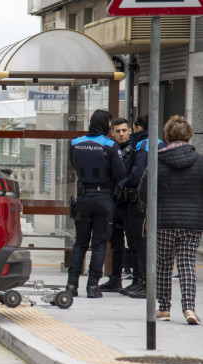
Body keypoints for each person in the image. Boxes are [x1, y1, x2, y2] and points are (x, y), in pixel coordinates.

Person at [138, 116, 203, 325]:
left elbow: (143, 192)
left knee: (164, 264)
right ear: (189, 135)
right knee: (187, 264)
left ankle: (164, 308)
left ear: (167, 135)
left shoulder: (157, 160)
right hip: (192, 223)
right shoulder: (200, 161)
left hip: (163, 222)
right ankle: (189, 308)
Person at [67, 109, 126, 299]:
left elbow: (74, 165)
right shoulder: (110, 146)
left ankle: (71, 285)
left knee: (80, 244)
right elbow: (121, 174)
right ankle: (92, 286)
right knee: (99, 245)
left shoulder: (75, 143)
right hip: (103, 200)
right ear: (106, 125)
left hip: (83, 199)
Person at [119, 114, 160, 299]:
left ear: (136, 127)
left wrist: (121, 184)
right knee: (137, 242)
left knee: (139, 242)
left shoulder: (144, 145)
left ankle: (142, 282)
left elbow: (137, 174)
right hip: (145, 200)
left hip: (138, 200)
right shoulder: (156, 142)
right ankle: (137, 281)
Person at [97, 117, 133, 293]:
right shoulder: (109, 149)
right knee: (115, 241)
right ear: (112, 133)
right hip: (113, 201)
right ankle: (115, 278)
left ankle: (138, 279)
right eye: (117, 131)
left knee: (134, 241)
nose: (121, 134)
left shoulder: (135, 150)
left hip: (130, 202)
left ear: (130, 131)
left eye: (124, 130)